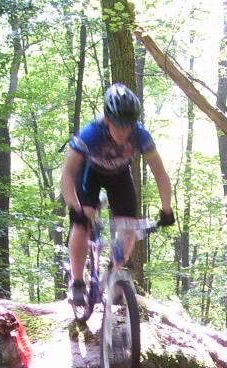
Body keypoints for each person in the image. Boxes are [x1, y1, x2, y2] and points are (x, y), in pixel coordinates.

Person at [60, 83, 175, 306]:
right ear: (107, 119)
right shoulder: (91, 133)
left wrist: (167, 209)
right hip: (89, 173)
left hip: (119, 175)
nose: (123, 132)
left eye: (128, 126)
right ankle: (77, 282)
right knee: (83, 221)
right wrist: (75, 208)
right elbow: (67, 174)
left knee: (129, 229)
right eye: (118, 126)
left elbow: (160, 174)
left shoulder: (141, 136)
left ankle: (113, 272)